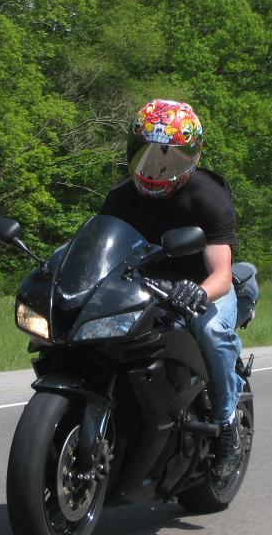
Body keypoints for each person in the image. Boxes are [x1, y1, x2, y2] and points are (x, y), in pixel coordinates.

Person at [99, 99, 259, 478]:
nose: (158, 167)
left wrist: (199, 293)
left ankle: (225, 426)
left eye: (171, 158)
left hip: (200, 286)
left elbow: (221, 274)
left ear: (193, 157)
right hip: (143, 285)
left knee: (212, 331)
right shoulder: (119, 198)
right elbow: (99, 250)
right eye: (149, 153)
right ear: (132, 149)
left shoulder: (208, 198)